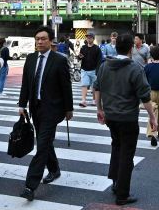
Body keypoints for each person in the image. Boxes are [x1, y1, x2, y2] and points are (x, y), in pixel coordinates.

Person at [93, 33, 157, 206]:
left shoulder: (105, 65)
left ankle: (115, 182)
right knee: (127, 154)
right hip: (127, 117)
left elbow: (96, 87)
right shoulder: (135, 68)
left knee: (116, 146)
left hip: (110, 116)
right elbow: (144, 96)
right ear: (131, 48)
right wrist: (152, 117)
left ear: (116, 47)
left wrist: (99, 108)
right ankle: (122, 193)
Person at [18, 26, 73, 202]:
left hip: (53, 108)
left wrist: (68, 108)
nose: (39, 42)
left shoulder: (59, 60)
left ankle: (30, 186)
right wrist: (22, 104)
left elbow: (66, 86)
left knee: (41, 145)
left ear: (50, 41)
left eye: (43, 39)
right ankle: (55, 169)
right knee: (45, 140)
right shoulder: (31, 58)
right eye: (37, 39)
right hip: (36, 107)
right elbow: (26, 83)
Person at [78, 32, 102, 107]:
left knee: (94, 86)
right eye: (87, 37)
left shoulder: (97, 48)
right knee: (84, 84)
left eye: (90, 37)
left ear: (93, 39)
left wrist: (97, 70)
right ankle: (83, 100)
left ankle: (94, 100)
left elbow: (99, 60)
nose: (88, 39)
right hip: (84, 69)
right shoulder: (83, 47)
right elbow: (79, 58)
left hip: (94, 70)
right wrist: (79, 57)